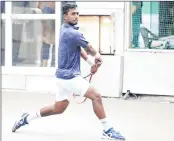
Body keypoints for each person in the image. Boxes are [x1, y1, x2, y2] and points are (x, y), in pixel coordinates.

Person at [12, 3, 125, 140]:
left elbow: (80, 50)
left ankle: (27, 118)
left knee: (58, 108)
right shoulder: (72, 33)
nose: (76, 16)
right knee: (96, 96)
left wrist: (90, 63)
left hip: (62, 78)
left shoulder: (64, 29)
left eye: (77, 13)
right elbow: (89, 48)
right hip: (69, 78)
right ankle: (108, 130)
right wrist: (97, 56)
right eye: (73, 14)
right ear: (65, 16)